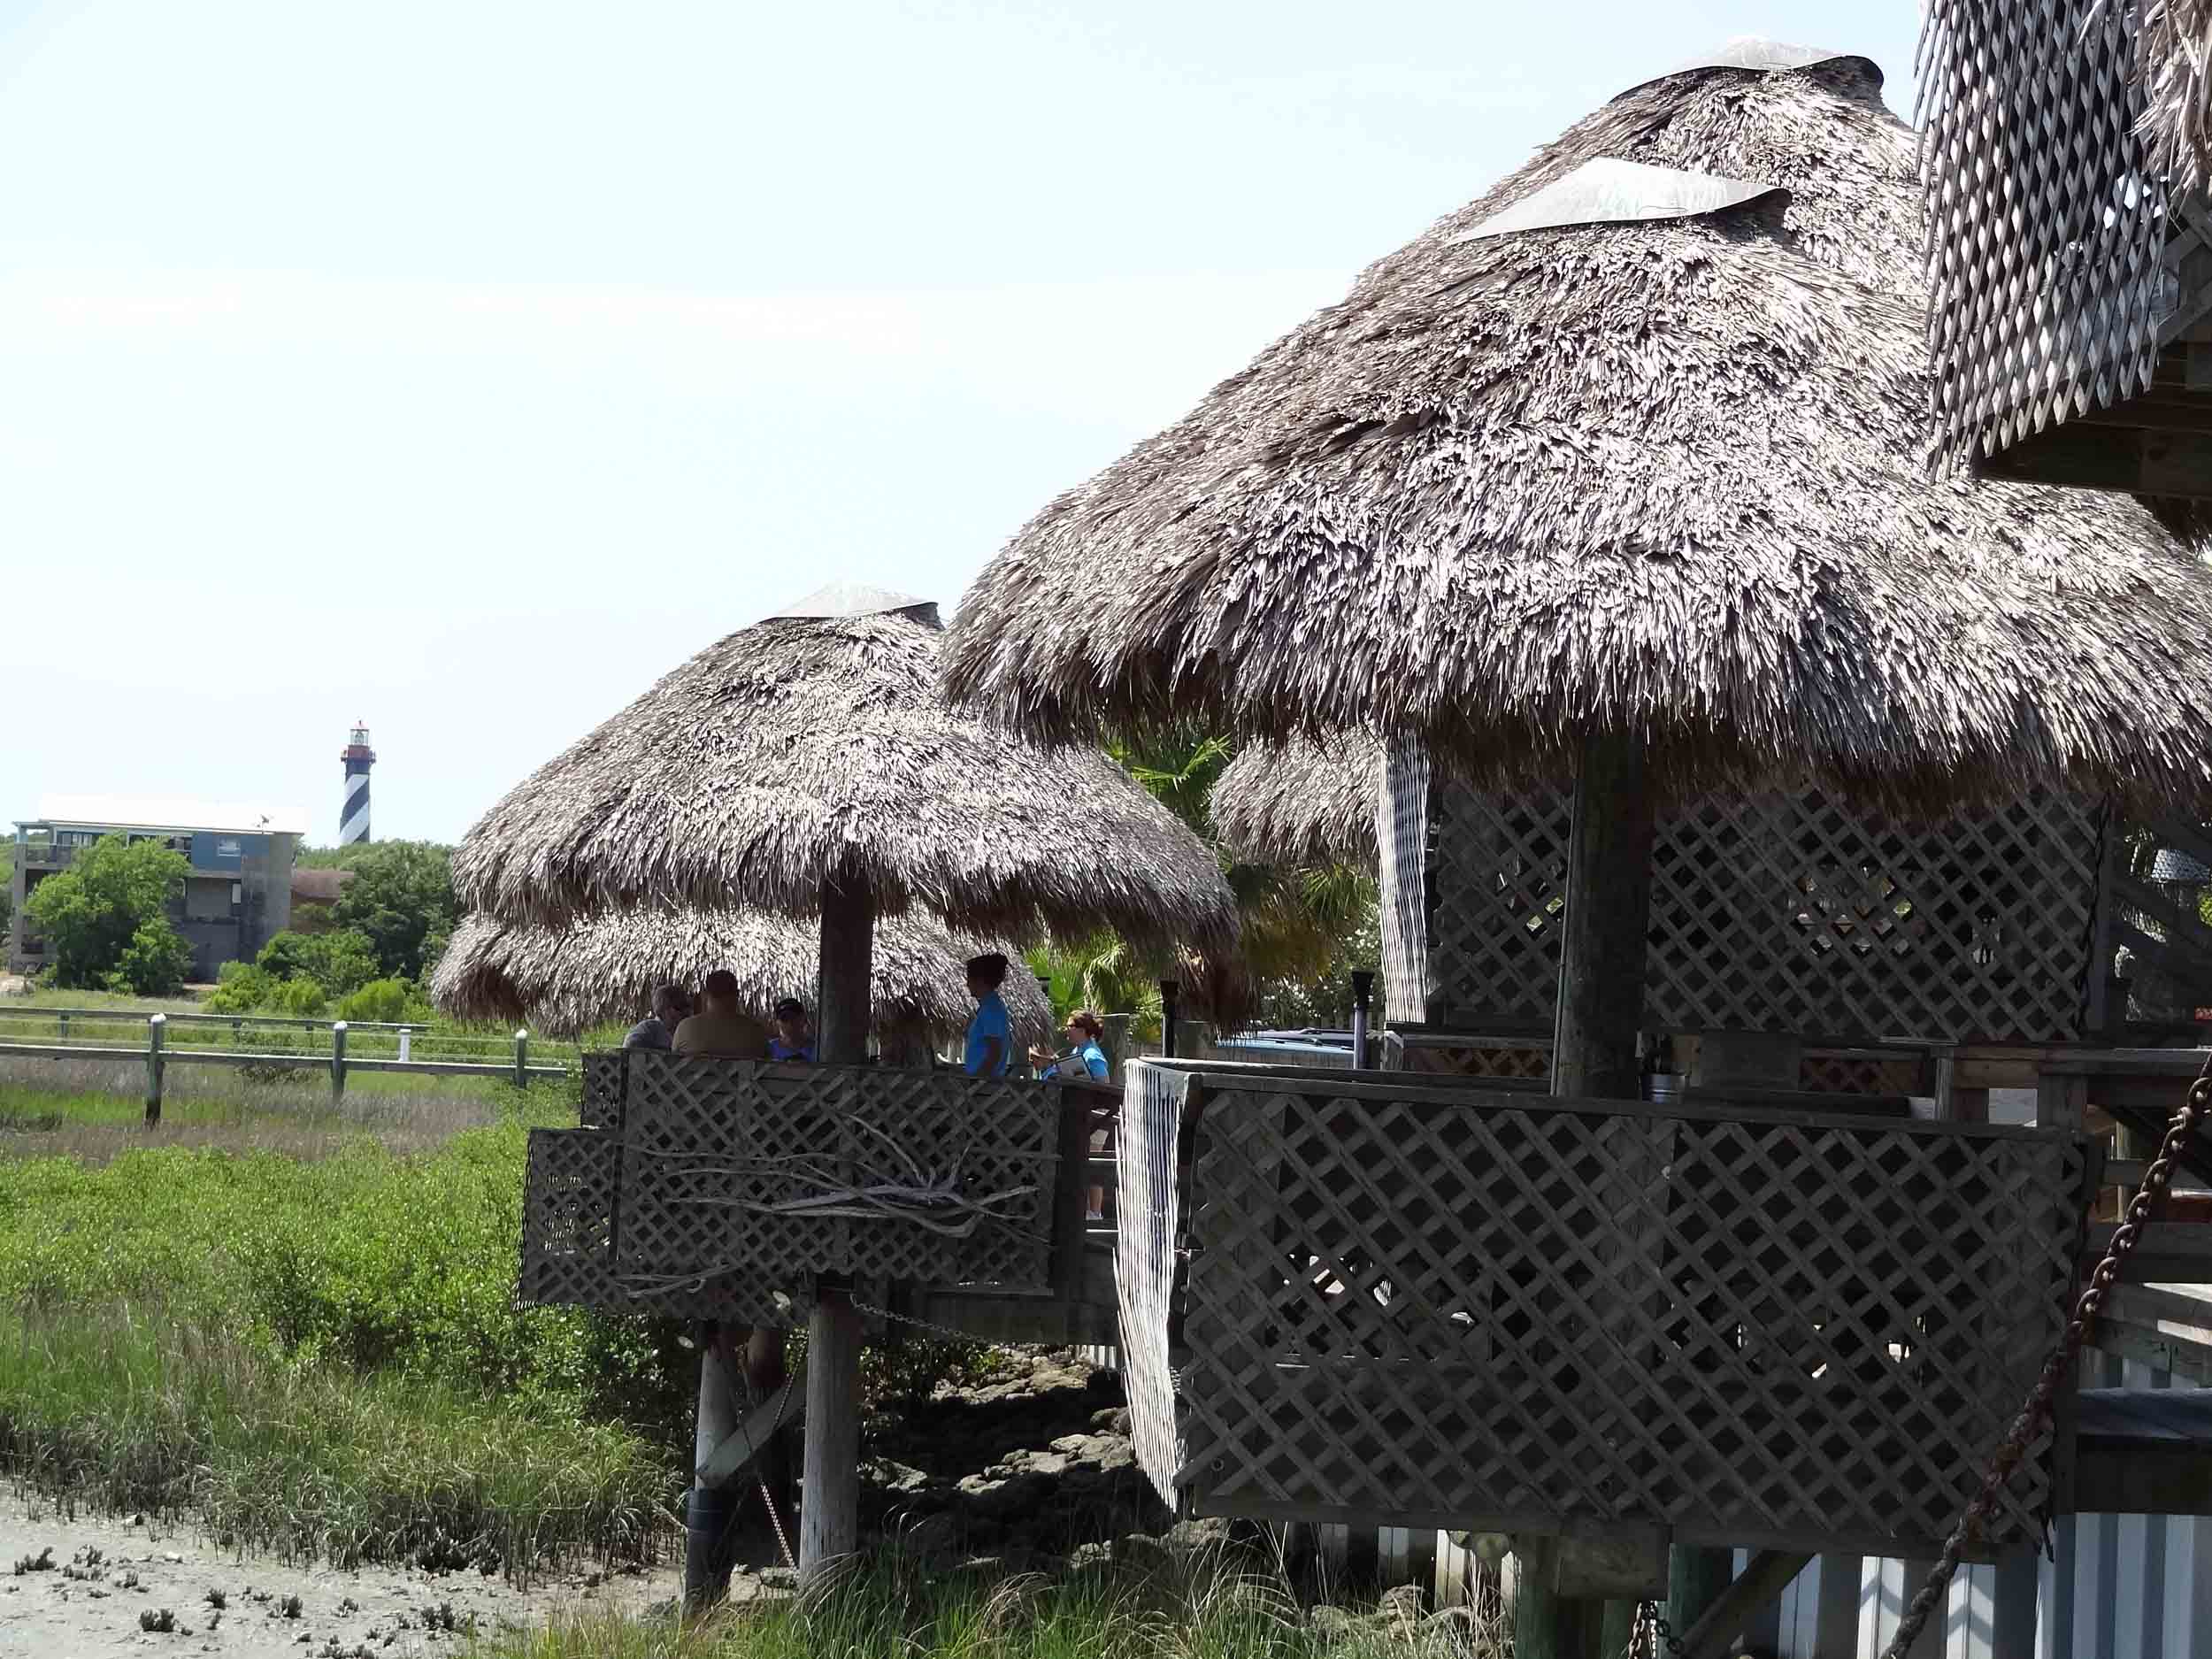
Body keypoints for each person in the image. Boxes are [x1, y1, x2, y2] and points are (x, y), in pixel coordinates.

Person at [673, 969, 770, 1058]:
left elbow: (673, 1062)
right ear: (737, 994)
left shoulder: (685, 1027)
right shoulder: (756, 1032)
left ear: (706, 995)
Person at [962, 952, 1013, 1077]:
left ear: (980, 981)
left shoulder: (992, 1009)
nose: (967, 984)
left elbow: (994, 1053)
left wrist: (978, 1081)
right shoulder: (987, 1007)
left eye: (969, 979)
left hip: (984, 1087)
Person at [1031, 1009, 1110, 1082]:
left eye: (1070, 1026)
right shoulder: (1077, 1051)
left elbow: (1104, 1086)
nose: (1066, 1029)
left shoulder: (1092, 1055)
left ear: (1082, 1030)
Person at [623, 984, 691, 1051]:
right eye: (680, 1007)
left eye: (688, 1007)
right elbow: (630, 1047)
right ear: (664, 1010)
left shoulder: (680, 1032)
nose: (686, 1012)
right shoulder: (649, 1027)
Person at [767, 997, 814, 1062]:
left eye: (794, 1018)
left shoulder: (818, 1049)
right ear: (777, 1022)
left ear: (803, 1018)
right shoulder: (768, 1049)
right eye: (785, 1019)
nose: (790, 1024)